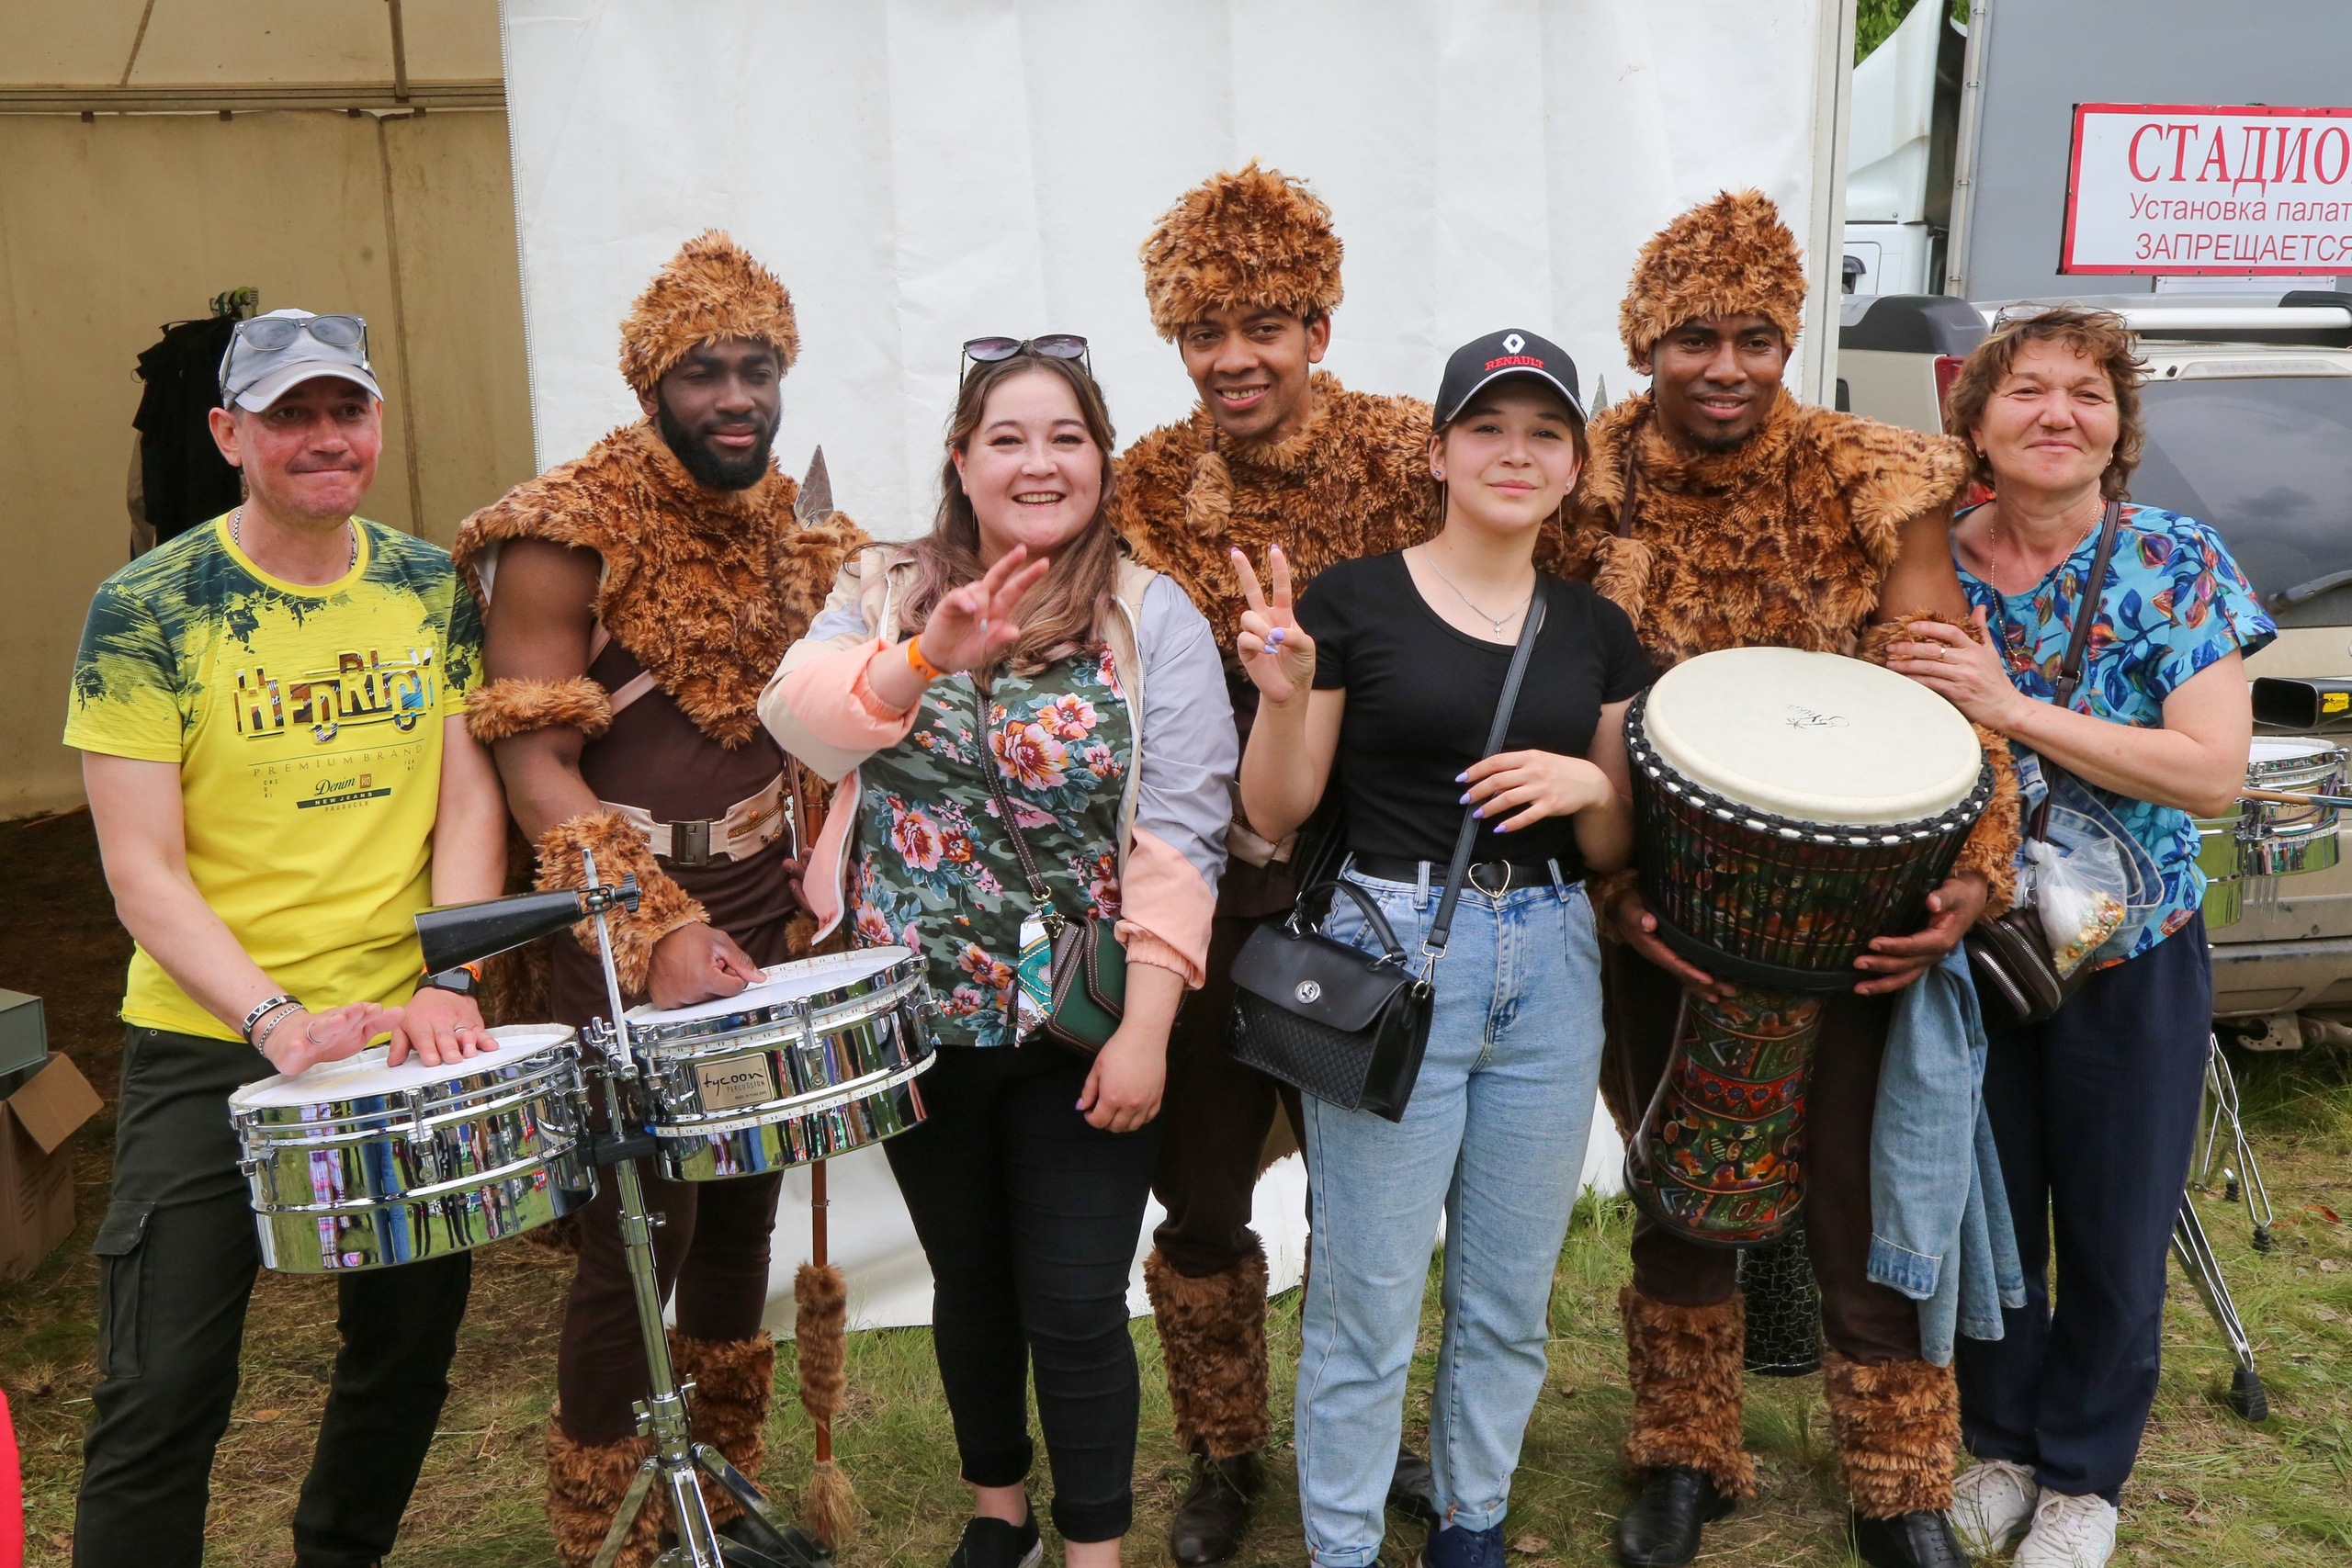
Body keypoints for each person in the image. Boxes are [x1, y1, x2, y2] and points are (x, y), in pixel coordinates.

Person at [1547, 191, 2022, 1568]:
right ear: (1645, 344)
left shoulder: (1871, 476)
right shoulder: (1585, 482)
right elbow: (1551, 690)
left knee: (1860, 1197)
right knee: (1685, 1191)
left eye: (1756, 338)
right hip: (1666, 912)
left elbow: (1947, 683)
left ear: (1789, 342)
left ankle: (1897, 1484)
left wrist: (1977, 871)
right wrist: (1609, 891)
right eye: (1693, 338)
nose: (1727, 367)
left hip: (1860, 909)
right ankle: (1682, 1457)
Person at [763, 341, 1235, 1568]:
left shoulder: (1150, 614)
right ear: (962, 461)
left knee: (1074, 1300)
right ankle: (999, 1515)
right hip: (917, 1018)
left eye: (1066, 437)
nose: (1039, 463)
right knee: (966, 1279)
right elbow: (800, 722)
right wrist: (926, 654)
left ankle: (1094, 1550)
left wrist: (1147, 1029)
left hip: (1075, 1020)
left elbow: (1183, 830)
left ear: (1102, 460)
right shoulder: (883, 588)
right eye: (1008, 438)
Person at [451, 231, 866, 1567]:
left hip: (762, 901)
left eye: (758, 370)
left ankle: (723, 1495)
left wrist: (820, 868)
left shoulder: (796, 531)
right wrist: (658, 924)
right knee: (643, 1222)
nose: (736, 399)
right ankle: (608, 1526)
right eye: (703, 374)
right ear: (649, 387)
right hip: (617, 912)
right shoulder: (565, 530)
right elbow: (533, 767)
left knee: (741, 1195)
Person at [66, 309, 506, 1568]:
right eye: (289, 415)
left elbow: (468, 802)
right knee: (161, 1385)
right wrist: (270, 1019)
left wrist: (450, 975)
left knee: (404, 1354)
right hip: (209, 1039)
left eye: (345, 411)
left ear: (378, 423)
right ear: (228, 434)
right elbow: (139, 868)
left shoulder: (429, 585)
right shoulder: (148, 609)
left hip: (403, 1036)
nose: (324, 438)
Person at [1236, 331, 1644, 1568]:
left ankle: (1471, 1528)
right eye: (1487, 429)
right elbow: (1276, 811)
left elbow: (1614, 841)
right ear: (1437, 453)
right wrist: (1284, 696)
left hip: (1553, 958)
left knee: (1508, 1294)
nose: (1516, 454)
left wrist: (1590, 783)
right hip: (1394, 950)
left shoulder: (1595, 629)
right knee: (1366, 1294)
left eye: (1544, 434)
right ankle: (1345, 1548)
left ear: (1574, 467)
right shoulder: (1353, 601)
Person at [1885, 308, 2269, 1568]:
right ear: (1976, 422)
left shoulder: (2175, 560)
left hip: (2130, 950)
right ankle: (1999, 1442)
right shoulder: (1925, 559)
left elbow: (2210, 773)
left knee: (2114, 1221)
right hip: (1971, 946)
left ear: (2118, 427)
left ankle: (2084, 1478)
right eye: (2028, 390)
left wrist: (2010, 706)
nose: (2059, 413)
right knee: (1988, 1211)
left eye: (2088, 393)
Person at [1109, 161, 1442, 1564]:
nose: (1234, 358)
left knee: (1377, 1193)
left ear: (1319, 323)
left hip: (1378, 886)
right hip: (1212, 887)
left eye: (1263, 326)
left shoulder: (1410, 454)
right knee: (1201, 1192)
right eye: (1204, 332)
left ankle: (1367, 1431)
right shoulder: (1141, 483)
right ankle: (1224, 1446)